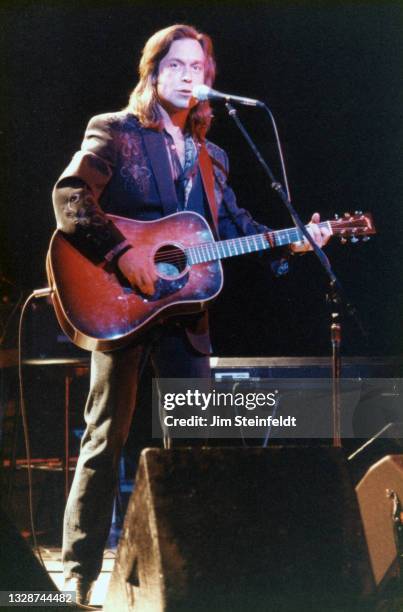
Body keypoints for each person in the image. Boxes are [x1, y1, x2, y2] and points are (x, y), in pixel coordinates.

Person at [52, 24, 330, 606]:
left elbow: (231, 229)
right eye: (175, 65)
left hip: (185, 317)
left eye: (197, 68)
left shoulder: (215, 156)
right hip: (121, 305)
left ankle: (186, 567)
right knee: (107, 438)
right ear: (152, 74)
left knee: (197, 439)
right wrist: (126, 257)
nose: (188, 76)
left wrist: (298, 240)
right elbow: (72, 199)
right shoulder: (115, 131)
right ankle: (78, 574)